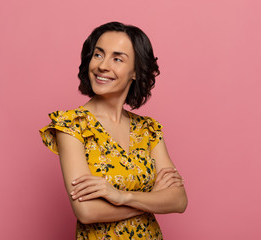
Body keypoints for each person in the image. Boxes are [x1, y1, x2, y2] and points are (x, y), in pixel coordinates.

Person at [39, 21, 187, 239]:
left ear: (136, 72)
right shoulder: (71, 125)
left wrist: (121, 197)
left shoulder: (148, 130)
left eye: (117, 59)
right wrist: (153, 198)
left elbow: (179, 200)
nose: (102, 66)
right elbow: (86, 211)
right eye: (98, 55)